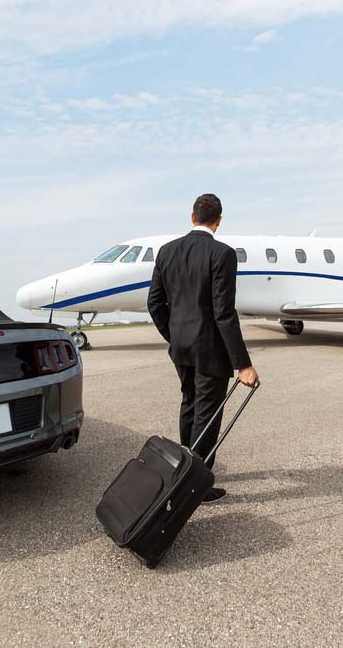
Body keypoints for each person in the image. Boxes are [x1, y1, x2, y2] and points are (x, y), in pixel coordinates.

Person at [147, 193, 259, 503]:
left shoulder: (167, 252)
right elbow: (223, 311)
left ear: (192, 217)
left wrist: (173, 335)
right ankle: (197, 484)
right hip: (210, 348)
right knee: (207, 414)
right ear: (219, 220)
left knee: (189, 404)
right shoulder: (222, 253)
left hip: (181, 346)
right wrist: (243, 364)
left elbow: (154, 303)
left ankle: (186, 469)